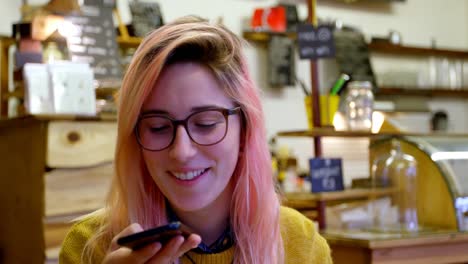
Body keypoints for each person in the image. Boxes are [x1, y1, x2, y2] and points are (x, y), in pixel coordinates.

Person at [59, 15, 332, 264]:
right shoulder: (88, 246)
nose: (181, 151)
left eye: (205, 124)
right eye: (157, 127)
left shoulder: (301, 246)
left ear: (245, 131)